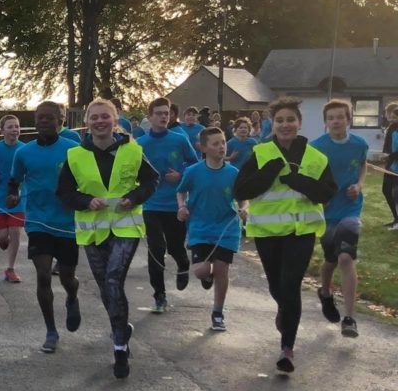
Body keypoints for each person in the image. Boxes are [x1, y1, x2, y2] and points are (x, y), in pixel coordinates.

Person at [234, 96, 336, 373]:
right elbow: (240, 190)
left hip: (301, 232)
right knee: (277, 287)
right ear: (273, 124)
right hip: (268, 233)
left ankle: (287, 349)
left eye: (291, 119)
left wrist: (297, 180)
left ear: (299, 123)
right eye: (280, 120)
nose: (285, 124)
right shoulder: (261, 154)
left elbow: (327, 193)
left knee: (290, 286)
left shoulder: (316, 157)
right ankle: (285, 310)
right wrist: (268, 173)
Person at [59, 98, 158, 379]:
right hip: (93, 230)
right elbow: (64, 192)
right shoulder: (75, 155)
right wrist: (85, 201)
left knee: (114, 280)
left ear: (115, 121)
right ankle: (122, 328)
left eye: (105, 116)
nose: (100, 121)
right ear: (87, 123)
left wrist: (134, 197)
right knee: (106, 287)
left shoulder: (132, 150)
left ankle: (119, 348)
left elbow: (152, 180)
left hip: (126, 227)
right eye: (94, 117)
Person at [7, 102, 81, 352]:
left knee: (68, 278)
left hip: (67, 224)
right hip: (38, 222)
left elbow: (87, 180)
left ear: (61, 120)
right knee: (43, 274)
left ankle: (72, 296)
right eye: (39, 118)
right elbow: (14, 181)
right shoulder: (24, 153)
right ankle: (51, 331)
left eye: (49, 118)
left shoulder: (73, 149)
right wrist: (13, 195)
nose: (43, 122)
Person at [176, 127, 246, 332]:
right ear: (204, 148)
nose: (221, 147)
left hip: (227, 227)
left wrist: (244, 208)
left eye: (223, 142)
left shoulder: (233, 173)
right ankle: (207, 276)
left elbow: (243, 197)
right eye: (215, 144)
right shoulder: (193, 171)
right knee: (201, 271)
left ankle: (217, 313)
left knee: (222, 268)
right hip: (200, 227)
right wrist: (182, 207)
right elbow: (181, 191)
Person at [311, 100, 368, 338]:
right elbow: (309, 178)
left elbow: (363, 166)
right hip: (326, 212)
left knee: (346, 257)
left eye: (340, 117)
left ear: (348, 119)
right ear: (325, 122)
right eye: (331, 118)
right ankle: (325, 292)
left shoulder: (360, 144)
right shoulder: (316, 147)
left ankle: (349, 318)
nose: (336, 121)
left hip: (351, 209)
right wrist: (319, 196)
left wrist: (359, 185)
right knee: (331, 259)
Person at [137, 96, 198, 313]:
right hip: (151, 204)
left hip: (175, 203)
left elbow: (194, 164)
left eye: (167, 113)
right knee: (156, 249)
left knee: (175, 247)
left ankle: (183, 264)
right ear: (150, 117)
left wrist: (180, 174)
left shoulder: (179, 139)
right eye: (159, 113)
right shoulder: (140, 144)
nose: (164, 117)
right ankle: (159, 295)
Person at [0, 114, 25, 283]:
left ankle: (10, 268)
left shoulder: (25, 150)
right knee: (3, 236)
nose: (14, 130)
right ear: (2, 131)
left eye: (17, 126)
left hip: (18, 197)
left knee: (15, 231)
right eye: (10, 127)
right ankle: (3, 240)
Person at [382, 102, 398, 228]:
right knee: (386, 190)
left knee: (396, 193)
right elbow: (387, 144)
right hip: (391, 165)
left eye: (393, 116)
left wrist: (390, 156)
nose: (390, 117)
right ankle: (396, 218)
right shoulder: (391, 127)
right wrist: (385, 154)